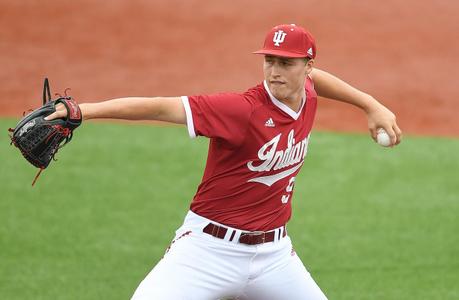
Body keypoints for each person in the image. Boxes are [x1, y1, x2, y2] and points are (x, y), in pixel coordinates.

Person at [46, 24, 402, 300]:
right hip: (207, 250)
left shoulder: (307, 93)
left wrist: (370, 104)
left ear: (307, 66)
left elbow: (318, 82)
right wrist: (84, 111)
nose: (275, 71)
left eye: (286, 63)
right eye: (269, 61)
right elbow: (159, 106)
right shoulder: (241, 109)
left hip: (273, 255)